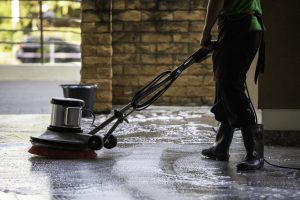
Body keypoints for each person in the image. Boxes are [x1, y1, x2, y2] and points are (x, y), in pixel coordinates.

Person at [200, 0, 265, 170]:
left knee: (231, 85)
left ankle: (255, 153)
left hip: (241, 28)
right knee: (224, 84)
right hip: (238, 27)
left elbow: (216, 1)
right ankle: (221, 147)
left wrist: (206, 32)